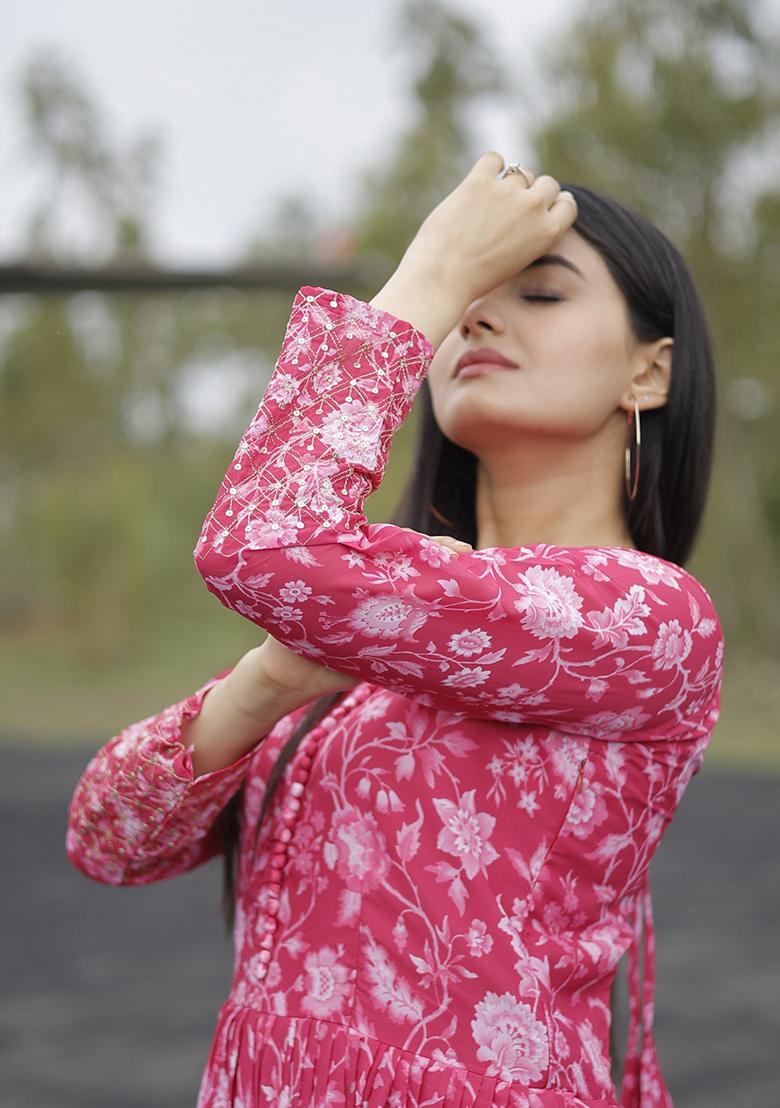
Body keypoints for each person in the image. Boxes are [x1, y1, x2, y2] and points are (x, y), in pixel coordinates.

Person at [66, 152, 725, 1107]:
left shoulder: (650, 619)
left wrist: (430, 270)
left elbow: (260, 545)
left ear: (649, 371)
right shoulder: (374, 613)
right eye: (466, 295)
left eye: (538, 292)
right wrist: (265, 685)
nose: (475, 315)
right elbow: (108, 837)